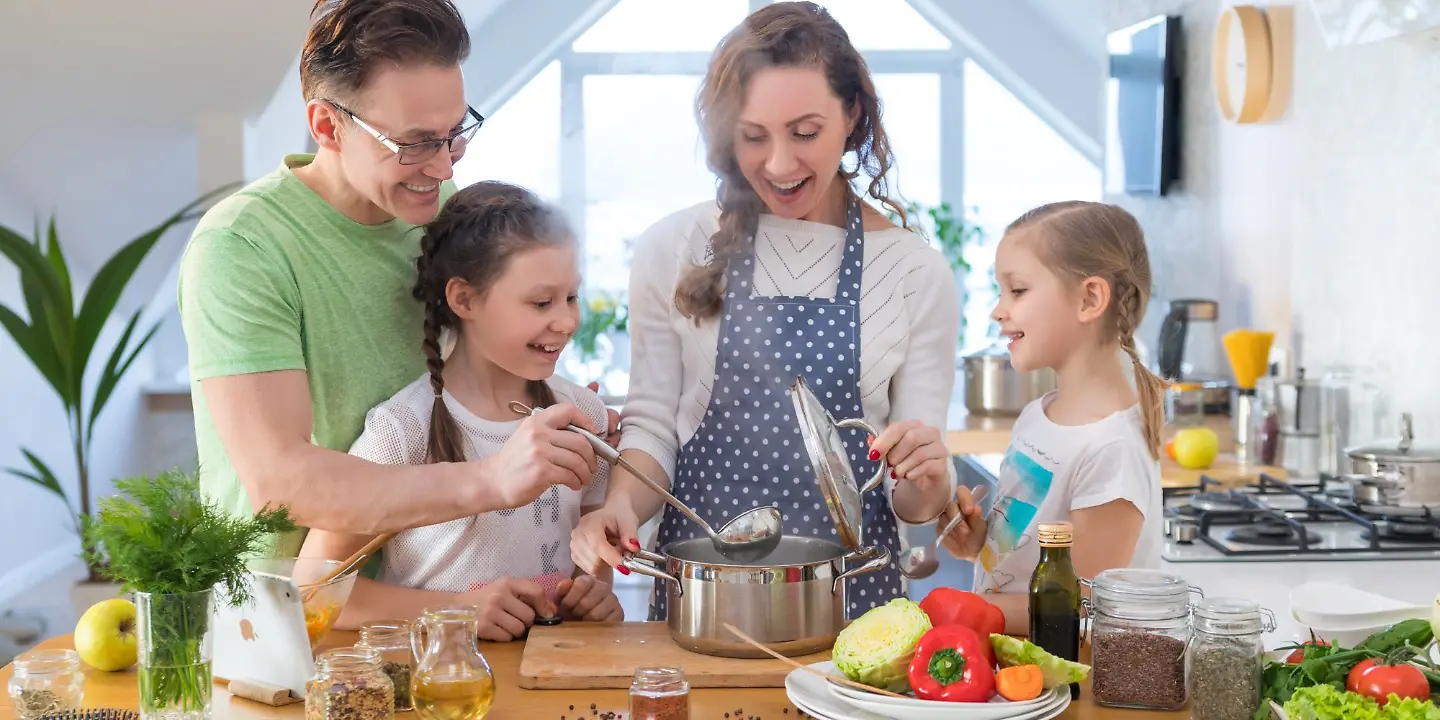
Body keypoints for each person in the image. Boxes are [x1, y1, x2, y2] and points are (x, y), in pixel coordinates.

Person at [178, 0, 611, 558]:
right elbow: (280, 484)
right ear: (326, 125)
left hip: (429, 595)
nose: (444, 166)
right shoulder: (243, 245)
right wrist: (492, 478)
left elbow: (467, 370)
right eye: (415, 143)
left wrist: (551, 408)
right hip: (290, 616)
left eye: (455, 133)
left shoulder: (440, 209)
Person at [571, 1, 959, 621]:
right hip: (704, 609)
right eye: (754, 137)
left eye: (805, 133)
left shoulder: (915, 272)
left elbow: (909, 499)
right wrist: (618, 506)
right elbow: (652, 427)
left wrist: (930, 482)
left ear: (853, 115)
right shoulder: (671, 247)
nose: (779, 165)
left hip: (854, 617)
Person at [300, 182, 622, 639]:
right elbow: (312, 587)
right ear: (464, 299)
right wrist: (454, 609)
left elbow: (589, 560)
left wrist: (591, 592)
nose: (568, 322)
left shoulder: (581, 411)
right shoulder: (402, 431)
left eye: (571, 297)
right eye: (540, 302)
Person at [936, 201, 1167, 634]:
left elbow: (1082, 603)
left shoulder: (1111, 448)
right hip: (1025, 666)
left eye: (1018, 291)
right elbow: (1026, 558)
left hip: (1082, 680)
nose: (998, 310)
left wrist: (963, 610)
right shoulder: (1036, 416)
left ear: (1090, 298)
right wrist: (979, 540)